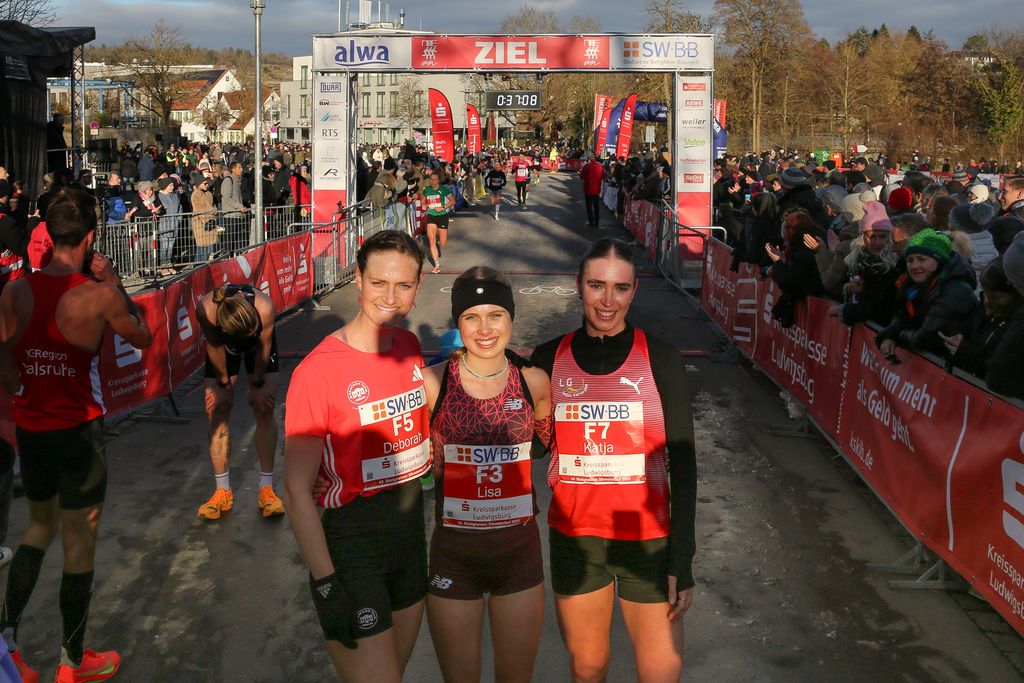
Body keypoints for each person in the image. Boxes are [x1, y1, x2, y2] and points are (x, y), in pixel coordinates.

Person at [0, 189, 153, 683]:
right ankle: (72, 662)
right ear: (89, 238)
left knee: (37, 529)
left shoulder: (15, 290)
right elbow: (143, 336)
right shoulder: (99, 294)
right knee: (79, 542)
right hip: (79, 432)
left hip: (32, 427)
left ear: (48, 234)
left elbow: (3, 353)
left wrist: (19, 386)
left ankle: (8, 652)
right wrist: (116, 283)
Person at [530, 238, 697, 683]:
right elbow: (535, 448)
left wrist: (682, 559)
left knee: (661, 673)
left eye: (620, 288)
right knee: (588, 669)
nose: (608, 301)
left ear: (634, 290)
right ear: (578, 285)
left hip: (648, 542)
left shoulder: (660, 357)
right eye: (596, 286)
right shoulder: (548, 357)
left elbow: (684, 465)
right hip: (576, 540)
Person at [283, 230, 431, 682]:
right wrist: (326, 582)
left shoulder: (408, 347)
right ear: (359, 279)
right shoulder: (317, 371)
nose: (390, 297)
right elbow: (295, 490)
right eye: (379, 283)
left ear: (418, 287)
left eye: (403, 285)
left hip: (410, 539)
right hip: (353, 547)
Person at [423, 267, 552, 683]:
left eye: (496, 315)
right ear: (458, 322)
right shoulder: (432, 384)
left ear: (511, 318)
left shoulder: (534, 381)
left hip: (518, 556)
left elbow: (545, 444)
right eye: (471, 317)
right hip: (453, 556)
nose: (484, 329)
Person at [195, 284, 284, 520]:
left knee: (263, 407)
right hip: (223, 347)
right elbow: (214, 346)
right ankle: (222, 491)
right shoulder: (206, 309)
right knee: (218, 408)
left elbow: (264, 345)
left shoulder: (264, 307)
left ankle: (266, 488)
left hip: (260, 348)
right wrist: (223, 383)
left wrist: (257, 382)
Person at [876, 229, 979, 360]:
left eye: (921, 259)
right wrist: (887, 336)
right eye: (910, 260)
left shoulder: (954, 289)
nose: (914, 266)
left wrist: (898, 336)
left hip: (948, 363)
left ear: (939, 260)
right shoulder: (913, 285)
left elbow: (928, 337)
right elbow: (904, 318)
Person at [420, 171, 455, 274]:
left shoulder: (444, 189)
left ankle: (439, 234)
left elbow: (453, 201)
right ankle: (437, 265)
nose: (433, 181)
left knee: (443, 243)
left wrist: (442, 207)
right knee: (432, 240)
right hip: (431, 216)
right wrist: (424, 205)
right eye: (431, 179)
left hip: (442, 216)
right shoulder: (427, 189)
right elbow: (423, 200)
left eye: (435, 180)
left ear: (438, 180)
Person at [580, 154, 605, 228]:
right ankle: (597, 222)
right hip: (596, 189)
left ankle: (591, 221)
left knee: (589, 206)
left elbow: (582, 176)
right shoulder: (600, 166)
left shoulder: (587, 166)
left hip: (588, 189)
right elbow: (603, 175)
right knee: (596, 206)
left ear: (589, 159)